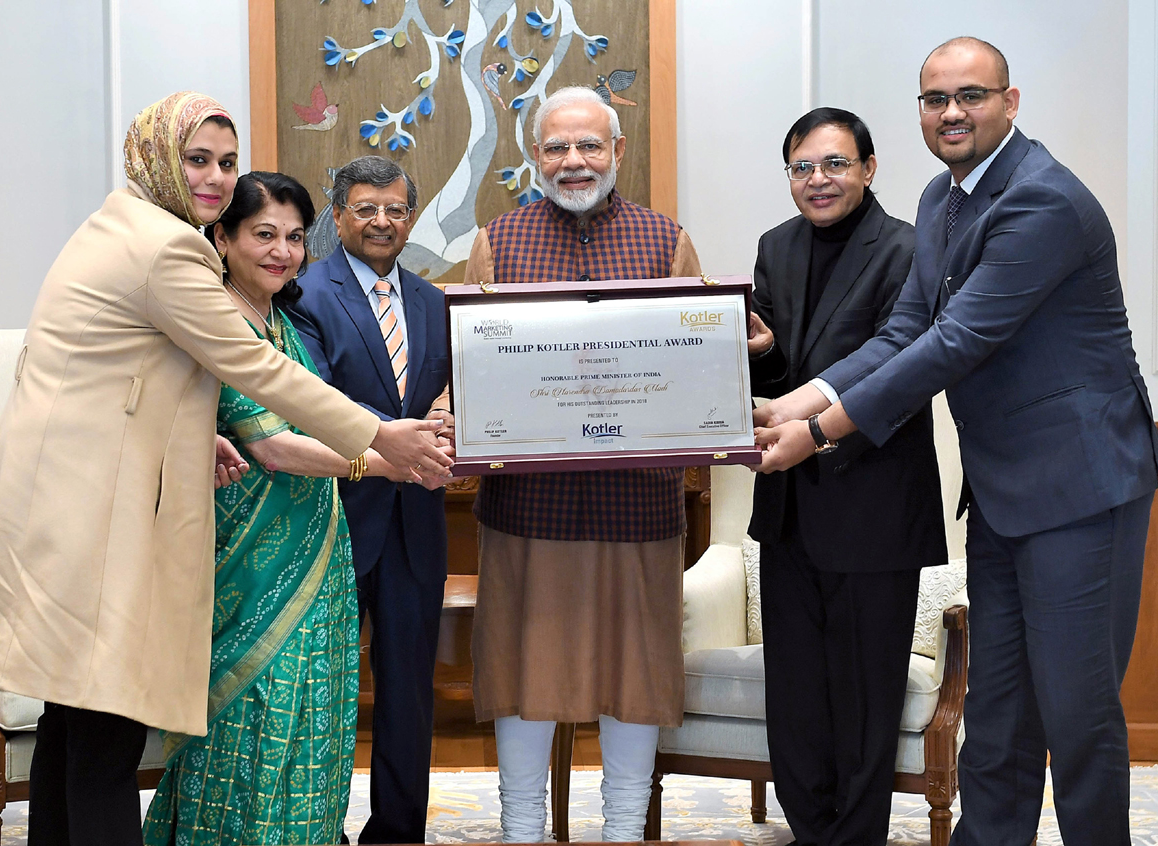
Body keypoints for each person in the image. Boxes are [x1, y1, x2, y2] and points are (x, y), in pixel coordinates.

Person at [0, 92, 450, 846]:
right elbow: (254, 368)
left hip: (56, 505)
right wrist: (383, 438)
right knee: (108, 731)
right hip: (95, 519)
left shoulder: (115, 221)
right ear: (156, 156)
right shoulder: (170, 247)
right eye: (197, 160)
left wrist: (195, 437)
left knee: (71, 720)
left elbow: (123, 372)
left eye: (226, 161)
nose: (216, 177)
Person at [754, 38, 1158, 846]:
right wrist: (793, 402)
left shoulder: (1042, 200)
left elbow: (955, 343)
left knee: (1076, 713)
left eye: (971, 95)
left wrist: (819, 432)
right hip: (1003, 494)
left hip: (1081, 489)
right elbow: (904, 329)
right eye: (935, 99)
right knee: (998, 711)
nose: (952, 112)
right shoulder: (943, 197)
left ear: (1010, 102)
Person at [141, 170, 431, 844]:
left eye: (296, 238)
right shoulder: (219, 323)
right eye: (264, 234)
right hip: (248, 563)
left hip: (317, 552)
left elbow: (318, 419)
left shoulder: (279, 320)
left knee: (316, 714)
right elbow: (273, 446)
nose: (283, 252)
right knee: (255, 711)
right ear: (222, 238)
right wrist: (388, 459)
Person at [463, 85, 702, 842]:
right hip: (527, 504)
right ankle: (521, 829)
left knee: (637, 671)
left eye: (589, 145)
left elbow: (694, 365)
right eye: (557, 147)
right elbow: (470, 365)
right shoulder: (496, 242)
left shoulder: (666, 241)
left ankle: (624, 829)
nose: (574, 161)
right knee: (522, 667)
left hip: (638, 502)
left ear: (617, 151)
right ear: (535, 156)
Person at [748, 107, 947, 846]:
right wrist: (764, 354)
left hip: (873, 506)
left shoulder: (911, 249)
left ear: (868, 168)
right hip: (788, 509)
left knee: (864, 698)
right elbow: (782, 378)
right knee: (796, 695)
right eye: (802, 167)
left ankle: (855, 836)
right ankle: (810, 830)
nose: (818, 180)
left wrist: (816, 436)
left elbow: (902, 373)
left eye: (835, 164)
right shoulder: (776, 246)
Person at [287, 156, 453, 844]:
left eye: (395, 209)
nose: (382, 221)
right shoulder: (303, 294)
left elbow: (444, 395)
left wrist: (450, 416)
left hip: (418, 524)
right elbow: (315, 400)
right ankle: (316, 828)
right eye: (366, 208)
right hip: (335, 517)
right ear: (338, 215)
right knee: (323, 693)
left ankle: (397, 832)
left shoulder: (434, 301)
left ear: (410, 218)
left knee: (410, 692)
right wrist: (403, 449)